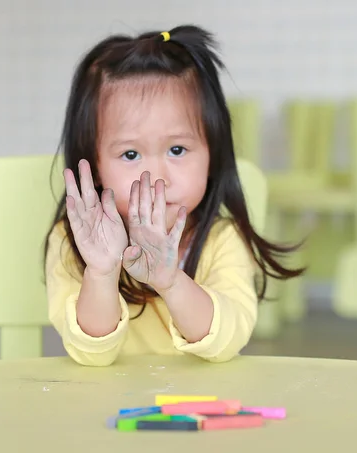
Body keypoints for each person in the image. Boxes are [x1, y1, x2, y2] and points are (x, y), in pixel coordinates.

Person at [43, 24, 303, 366]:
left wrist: (170, 281)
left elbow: (227, 341)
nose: (157, 179)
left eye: (177, 149)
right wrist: (101, 272)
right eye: (131, 155)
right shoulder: (76, 241)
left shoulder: (220, 240)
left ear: (213, 153)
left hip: (198, 405)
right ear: (95, 164)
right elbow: (91, 354)